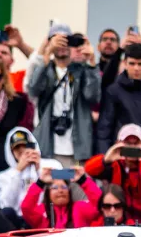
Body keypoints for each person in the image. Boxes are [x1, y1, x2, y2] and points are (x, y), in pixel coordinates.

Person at [26, 25, 102, 166]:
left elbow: (92, 97)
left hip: (77, 148)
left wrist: (91, 62)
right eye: (56, 40)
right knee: (52, 180)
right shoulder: (45, 69)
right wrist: (46, 53)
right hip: (48, 145)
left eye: (66, 40)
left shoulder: (82, 70)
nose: (61, 45)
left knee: (73, 180)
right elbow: (33, 90)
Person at [95, 43, 141, 152]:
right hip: (121, 155)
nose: (136, 68)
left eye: (140, 64)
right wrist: (106, 157)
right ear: (125, 63)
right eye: (132, 63)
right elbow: (104, 130)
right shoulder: (113, 91)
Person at [0, 127, 56, 225]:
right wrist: (18, 171)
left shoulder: (52, 164)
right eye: (17, 148)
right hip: (18, 220)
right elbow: (6, 205)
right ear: (11, 152)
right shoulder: (2, 176)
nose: (22, 150)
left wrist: (39, 169)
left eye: (25, 146)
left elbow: (67, 179)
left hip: (44, 216)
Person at [20, 165, 101, 229]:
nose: (60, 191)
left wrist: (83, 180)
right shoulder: (41, 210)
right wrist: (40, 183)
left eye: (64, 187)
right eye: (55, 187)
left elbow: (100, 204)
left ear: (69, 191)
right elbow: (26, 208)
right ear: (48, 193)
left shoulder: (80, 207)